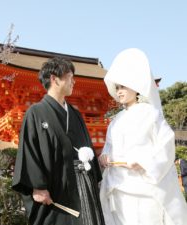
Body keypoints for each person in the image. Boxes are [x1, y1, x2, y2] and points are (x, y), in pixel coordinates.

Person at [98, 48, 187, 225]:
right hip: (118, 188)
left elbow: (166, 147)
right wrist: (103, 157)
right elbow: (109, 148)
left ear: (136, 86)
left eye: (123, 86)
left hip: (144, 189)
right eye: (117, 87)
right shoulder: (115, 121)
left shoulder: (151, 114)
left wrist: (144, 161)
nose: (119, 91)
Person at [12, 57, 105, 225]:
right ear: (54, 79)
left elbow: (87, 147)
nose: (74, 82)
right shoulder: (36, 112)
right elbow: (30, 151)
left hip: (82, 184)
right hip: (55, 188)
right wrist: (38, 186)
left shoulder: (75, 114)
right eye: (70, 77)